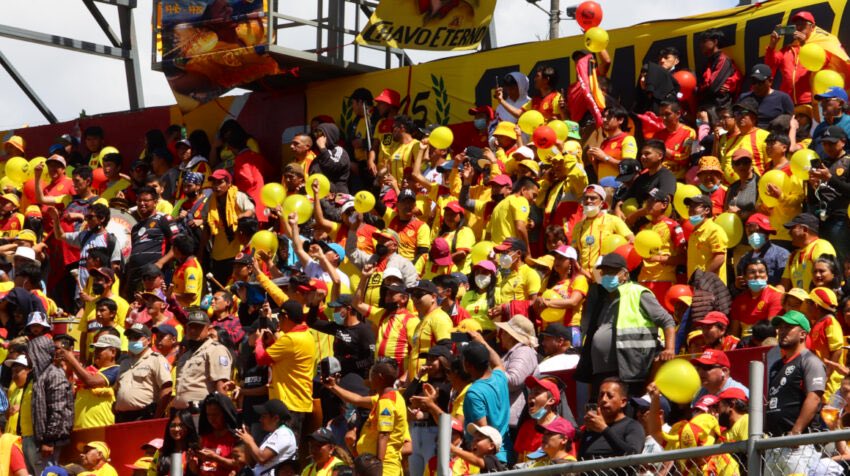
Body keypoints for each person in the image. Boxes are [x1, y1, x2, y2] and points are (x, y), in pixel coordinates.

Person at [576, 253, 675, 396]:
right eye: (604, 272)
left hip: (629, 371)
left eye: (612, 272)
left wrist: (670, 349)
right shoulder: (602, 298)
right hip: (601, 372)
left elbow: (666, 320)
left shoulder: (637, 292)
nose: (607, 276)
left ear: (625, 274)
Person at [765, 310, 842, 475]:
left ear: (803, 334)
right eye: (780, 328)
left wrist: (796, 432)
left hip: (798, 446)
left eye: (788, 327)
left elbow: (814, 398)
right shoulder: (776, 366)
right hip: (774, 444)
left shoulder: (810, 361)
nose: (782, 331)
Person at [325, 359, 407, 476]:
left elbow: (384, 435)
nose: (369, 378)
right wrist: (333, 386)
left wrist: (377, 467)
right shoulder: (388, 397)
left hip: (384, 469)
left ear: (380, 376)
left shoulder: (387, 402)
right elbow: (357, 400)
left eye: (371, 374)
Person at [253, 300, 317, 443]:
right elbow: (286, 356)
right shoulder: (307, 335)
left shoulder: (290, 339)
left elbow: (261, 358)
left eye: (279, 318)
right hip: (296, 401)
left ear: (286, 317)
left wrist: (258, 341)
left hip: (289, 404)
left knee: (285, 452)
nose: (279, 323)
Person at [765, 11, 850, 106]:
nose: (799, 27)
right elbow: (770, 64)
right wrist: (772, 45)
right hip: (787, 102)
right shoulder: (788, 49)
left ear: (812, 27)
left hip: (810, 101)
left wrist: (804, 44)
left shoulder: (820, 46)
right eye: (796, 25)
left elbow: (822, 62)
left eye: (803, 24)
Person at [201, 169, 256, 285]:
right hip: (219, 254)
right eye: (214, 183)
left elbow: (251, 211)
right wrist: (200, 252)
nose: (216, 186)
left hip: (240, 253)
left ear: (228, 183)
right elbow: (207, 225)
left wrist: (240, 217)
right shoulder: (210, 200)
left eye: (220, 182)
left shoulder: (238, 195)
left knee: (238, 288)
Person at [461, 336, 511, 463]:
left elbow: (484, 432)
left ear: (467, 365)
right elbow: (498, 363)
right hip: (505, 454)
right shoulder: (500, 377)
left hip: (487, 458)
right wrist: (482, 341)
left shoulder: (474, 392)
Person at [578, 377, 645, 469]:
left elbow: (633, 457)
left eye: (610, 396)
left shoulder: (632, 426)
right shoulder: (592, 429)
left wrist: (604, 429)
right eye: (601, 395)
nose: (604, 400)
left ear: (623, 402)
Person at [59, 333, 120, 429]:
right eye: (95, 349)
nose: (95, 352)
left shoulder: (116, 370)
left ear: (113, 352)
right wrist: (69, 369)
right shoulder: (89, 371)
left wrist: (71, 358)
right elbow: (71, 393)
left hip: (99, 429)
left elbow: (90, 382)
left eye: (100, 349)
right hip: (79, 428)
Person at [114, 323, 173, 422]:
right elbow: (117, 388)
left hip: (144, 417)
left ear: (149, 340)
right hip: (122, 418)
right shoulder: (124, 362)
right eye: (130, 338)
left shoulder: (156, 359)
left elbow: (166, 388)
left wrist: (156, 417)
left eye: (136, 337)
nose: (132, 340)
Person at [174, 309, 233, 408]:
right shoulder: (185, 355)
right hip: (182, 413)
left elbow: (221, 385)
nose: (193, 331)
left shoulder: (216, 350)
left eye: (198, 327)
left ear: (209, 330)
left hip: (203, 411)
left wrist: (221, 412)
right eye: (191, 327)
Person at [809, 125, 850, 262]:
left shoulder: (848, 162)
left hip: (841, 219)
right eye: (825, 143)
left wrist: (830, 179)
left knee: (841, 258)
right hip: (821, 218)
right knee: (824, 260)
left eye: (832, 143)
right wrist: (812, 187)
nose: (827, 147)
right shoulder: (822, 163)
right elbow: (812, 199)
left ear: (843, 141)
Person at [573, 185, 634, 271]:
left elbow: (632, 241)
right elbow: (574, 253)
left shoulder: (613, 220)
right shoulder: (578, 226)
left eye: (593, 198)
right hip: (584, 277)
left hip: (606, 276)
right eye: (586, 198)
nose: (588, 201)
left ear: (602, 202)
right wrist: (581, 271)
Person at [235, 399, 297, 476]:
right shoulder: (271, 434)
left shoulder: (284, 433)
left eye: (264, 416)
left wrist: (250, 441)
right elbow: (252, 463)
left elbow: (262, 458)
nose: (260, 419)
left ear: (275, 418)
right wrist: (247, 442)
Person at [807, 287, 845, 401]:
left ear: (816, 305)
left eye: (809, 303)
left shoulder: (830, 321)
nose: (807, 306)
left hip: (831, 384)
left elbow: (837, 350)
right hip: (819, 379)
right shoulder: (817, 323)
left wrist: (826, 376)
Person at [782, 213, 837, 290]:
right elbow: (784, 285)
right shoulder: (793, 255)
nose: (789, 233)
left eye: (792, 228)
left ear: (804, 230)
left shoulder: (821, 246)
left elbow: (827, 281)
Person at [730, 259, 784, 338]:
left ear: (767, 276)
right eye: (752, 272)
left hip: (767, 342)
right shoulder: (738, 301)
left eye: (761, 271)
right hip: (744, 345)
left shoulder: (776, 296)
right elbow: (734, 335)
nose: (757, 275)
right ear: (744, 277)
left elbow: (771, 330)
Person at [736, 213, 790, 287]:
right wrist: (737, 286)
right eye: (752, 232)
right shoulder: (744, 259)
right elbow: (738, 289)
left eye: (764, 232)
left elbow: (785, 285)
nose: (756, 235)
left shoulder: (781, 255)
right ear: (747, 231)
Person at [685, 194, 728, 284]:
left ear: (707, 210)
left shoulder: (714, 230)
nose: (691, 209)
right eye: (690, 206)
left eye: (695, 206)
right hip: (697, 285)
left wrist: (704, 278)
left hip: (712, 286)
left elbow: (720, 257)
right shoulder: (694, 232)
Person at [587, 106, 637, 180]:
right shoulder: (604, 142)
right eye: (603, 116)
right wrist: (593, 160)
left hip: (619, 188)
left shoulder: (628, 139)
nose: (604, 119)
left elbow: (628, 167)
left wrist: (605, 157)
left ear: (620, 120)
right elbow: (599, 172)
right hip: (604, 187)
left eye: (609, 117)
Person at [696, 28, 742, 110]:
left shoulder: (723, 60)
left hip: (720, 108)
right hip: (708, 107)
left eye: (704, 41)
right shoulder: (707, 62)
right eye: (700, 42)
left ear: (715, 42)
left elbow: (713, 88)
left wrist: (699, 90)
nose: (701, 45)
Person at [739, 64, 794, 128]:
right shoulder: (744, 98)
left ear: (770, 81)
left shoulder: (783, 98)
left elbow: (792, 122)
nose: (756, 85)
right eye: (754, 82)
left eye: (760, 82)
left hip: (772, 136)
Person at [652, 101, 697, 179]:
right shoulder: (657, 135)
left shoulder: (689, 132)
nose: (664, 118)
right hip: (658, 176)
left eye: (667, 114)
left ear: (678, 114)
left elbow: (684, 158)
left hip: (678, 178)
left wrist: (663, 150)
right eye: (661, 115)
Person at [812, 87, 850, 156]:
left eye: (826, 100)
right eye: (821, 101)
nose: (821, 104)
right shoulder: (820, 127)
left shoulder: (848, 124)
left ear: (840, 104)